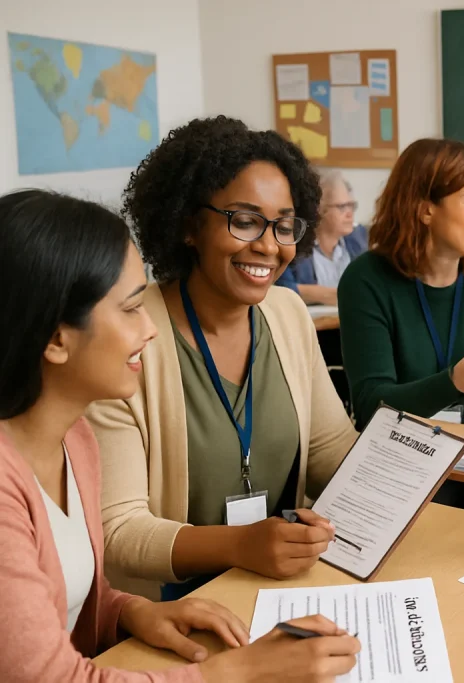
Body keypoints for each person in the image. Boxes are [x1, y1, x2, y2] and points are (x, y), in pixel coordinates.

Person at [0, 190, 359, 682]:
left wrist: (125, 612)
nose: (150, 328)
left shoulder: (73, 438)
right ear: (55, 339)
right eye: (130, 309)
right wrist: (238, 674)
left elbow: (65, 594)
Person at [87, 116, 359, 599]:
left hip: (278, 590)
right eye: (245, 220)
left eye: (283, 225)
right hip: (166, 610)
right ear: (190, 224)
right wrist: (241, 546)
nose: (268, 246)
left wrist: (405, 469)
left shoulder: (289, 313)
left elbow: (329, 452)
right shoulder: (128, 331)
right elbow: (119, 531)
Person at [339, 138, 464, 520]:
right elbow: (369, 404)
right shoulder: (366, 279)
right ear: (426, 210)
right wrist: (452, 383)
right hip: (401, 459)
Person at [276, 169, 368, 304]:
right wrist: (345, 295)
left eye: (351, 205)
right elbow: (282, 289)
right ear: (319, 210)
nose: (350, 214)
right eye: (342, 207)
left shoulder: (357, 239)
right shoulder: (293, 241)